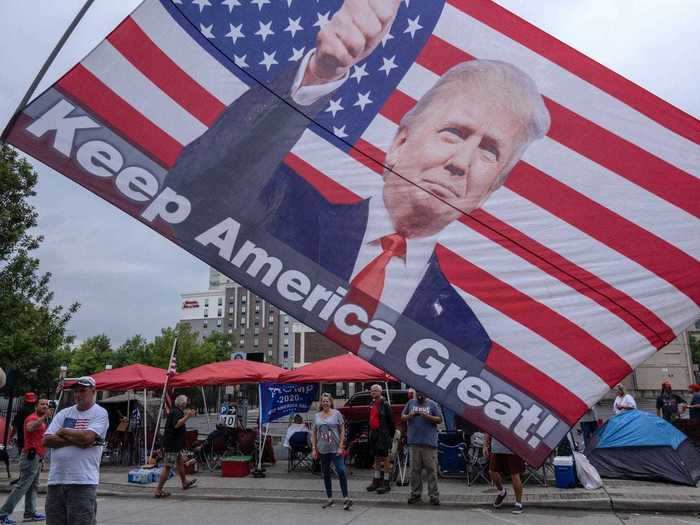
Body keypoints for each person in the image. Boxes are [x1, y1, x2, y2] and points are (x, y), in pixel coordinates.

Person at [166, 0, 551, 364]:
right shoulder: (283, 204)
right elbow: (189, 196)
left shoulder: (463, 336)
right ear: (399, 142)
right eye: (453, 133)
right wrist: (318, 75)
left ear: (490, 190)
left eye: (489, 152)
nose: (461, 163)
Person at [42, 376, 109, 525]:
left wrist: (63, 431)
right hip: (56, 480)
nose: (78, 394)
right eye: (76, 391)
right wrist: (77, 440)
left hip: (82, 481)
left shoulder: (100, 413)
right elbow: (46, 440)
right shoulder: (63, 413)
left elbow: (87, 438)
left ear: (93, 391)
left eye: (83, 391)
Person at [0, 399, 51, 524]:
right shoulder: (32, 418)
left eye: (46, 405)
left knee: (33, 487)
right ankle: (3, 514)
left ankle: (30, 512)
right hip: (30, 457)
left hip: (36, 457)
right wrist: (44, 416)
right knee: (22, 486)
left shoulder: (41, 419)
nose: (45, 406)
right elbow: (30, 428)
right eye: (42, 404)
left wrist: (42, 458)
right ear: (36, 406)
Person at [311, 393, 352, 510]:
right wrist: (314, 448)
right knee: (326, 473)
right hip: (323, 449)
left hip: (335, 448)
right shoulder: (317, 416)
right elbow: (313, 432)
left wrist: (341, 445)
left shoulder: (336, 413)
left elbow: (342, 429)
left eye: (327, 401)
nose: (325, 403)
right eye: (323, 401)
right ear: (321, 403)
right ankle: (330, 499)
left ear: (331, 402)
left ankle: (346, 498)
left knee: (341, 470)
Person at [401, 391, 442, 505]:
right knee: (415, 471)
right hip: (414, 443)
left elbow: (439, 419)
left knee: (431, 471)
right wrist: (410, 415)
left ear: (425, 393)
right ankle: (415, 494)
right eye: (417, 392)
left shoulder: (432, 404)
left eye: (421, 393)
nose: (419, 395)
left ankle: (433, 495)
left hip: (429, 444)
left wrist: (427, 416)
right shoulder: (410, 403)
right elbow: (402, 417)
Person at [154, 395, 197, 498]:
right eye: (186, 401)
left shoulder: (176, 411)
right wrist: (188, 416)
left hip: (174, 444)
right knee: (168, 466)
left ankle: (184, 482)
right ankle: (158, 490)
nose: (187, 403)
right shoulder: (176, 412)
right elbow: (176, 424)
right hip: (172, 445)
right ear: (182, 403)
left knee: (180, 462)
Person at [485, 434, 525, 515]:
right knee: (492, 472)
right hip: (496, 448)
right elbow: (487, 428)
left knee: (514, 475)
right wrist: (485, 445)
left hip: (513, 448)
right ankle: (502, 492)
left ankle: (518, 503)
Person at [365, 385, 395, 494]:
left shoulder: (385, 405)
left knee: (385, 459)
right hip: (374, 435)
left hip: (384, 435)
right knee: (376, 458)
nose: (373, 392)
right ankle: (376, 480)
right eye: (372, 390)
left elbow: (391, 422)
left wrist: (390, 436)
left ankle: (386, 482)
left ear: (380, 392)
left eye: (375, 390)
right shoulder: (371, 404)